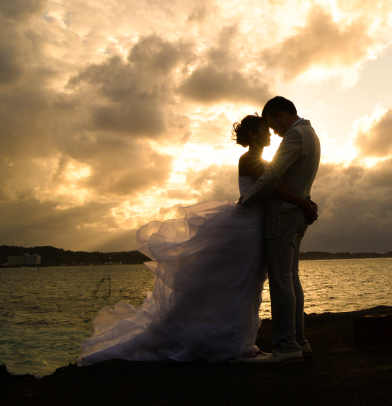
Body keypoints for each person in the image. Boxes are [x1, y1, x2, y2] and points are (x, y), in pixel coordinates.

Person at [76, 112, 317, 366]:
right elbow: (272, 186)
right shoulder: (248, 159)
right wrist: (304, 203)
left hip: (255, 227)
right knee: (237, 286)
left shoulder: (259, 159)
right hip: (245, 229)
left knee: (247, 287)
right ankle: (227, 342)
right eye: (265, 129)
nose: (270, 134)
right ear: (253, 135)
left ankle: (239, 342)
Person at [238, 96, 321, 365]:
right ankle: (300, 341)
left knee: (281, 280)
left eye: (273, 127)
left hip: (282, 216)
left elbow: (273, 176)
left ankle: (286, 345)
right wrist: (306, 202)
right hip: (297, 214)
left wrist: (246, 200)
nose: (275, 133)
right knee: (291, 278)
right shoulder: (311, 133)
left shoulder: (295, 135)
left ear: (280, 116)